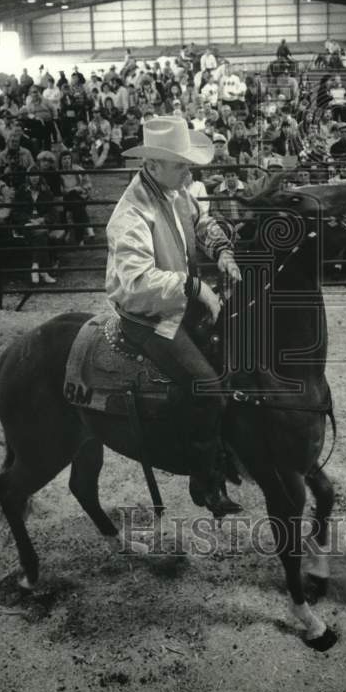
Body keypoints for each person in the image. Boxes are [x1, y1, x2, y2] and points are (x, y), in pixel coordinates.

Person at [106, 116, 243, 518]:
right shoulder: (129, 215)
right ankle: (203, 480)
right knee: (207, 385)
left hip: (179, 301)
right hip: (148, 315)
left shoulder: (175, 190)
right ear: (153, 165)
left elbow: (202, 221)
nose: (190, 171)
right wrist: (195, 288)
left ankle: (225, 445)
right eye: (182, 164)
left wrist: (223, 251)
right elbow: (136, 282)